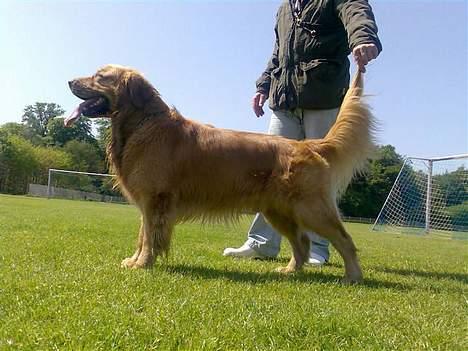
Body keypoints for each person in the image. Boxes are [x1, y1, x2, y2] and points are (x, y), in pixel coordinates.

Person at [223, 0, 382, 265]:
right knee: (267, 173)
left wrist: (363, 37)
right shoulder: (284, 8)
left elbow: (355, 8)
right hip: (284, 100)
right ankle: (262, 242)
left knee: (317, 178)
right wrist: (263, 86)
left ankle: (318, 247)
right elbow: (279, 52)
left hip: (322, 95)